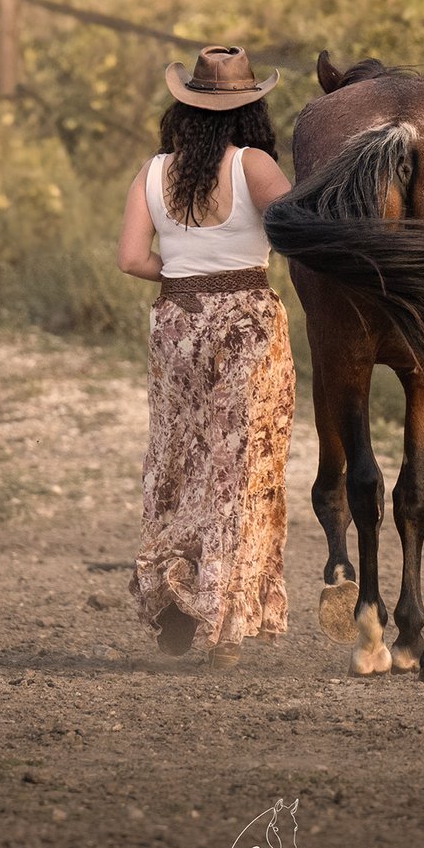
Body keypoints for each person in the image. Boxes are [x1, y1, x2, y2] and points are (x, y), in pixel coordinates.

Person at [116, 46, 296, 669]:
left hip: (177, 323)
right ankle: (226, 623)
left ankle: (172, 592)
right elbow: (299, 228)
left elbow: (132, 259)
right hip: (247, 324)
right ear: (251, 109)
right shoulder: (255, 165)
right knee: (240, 468)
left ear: (184, 109)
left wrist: (188, 274)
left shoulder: (155, 171)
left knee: (175, 462)